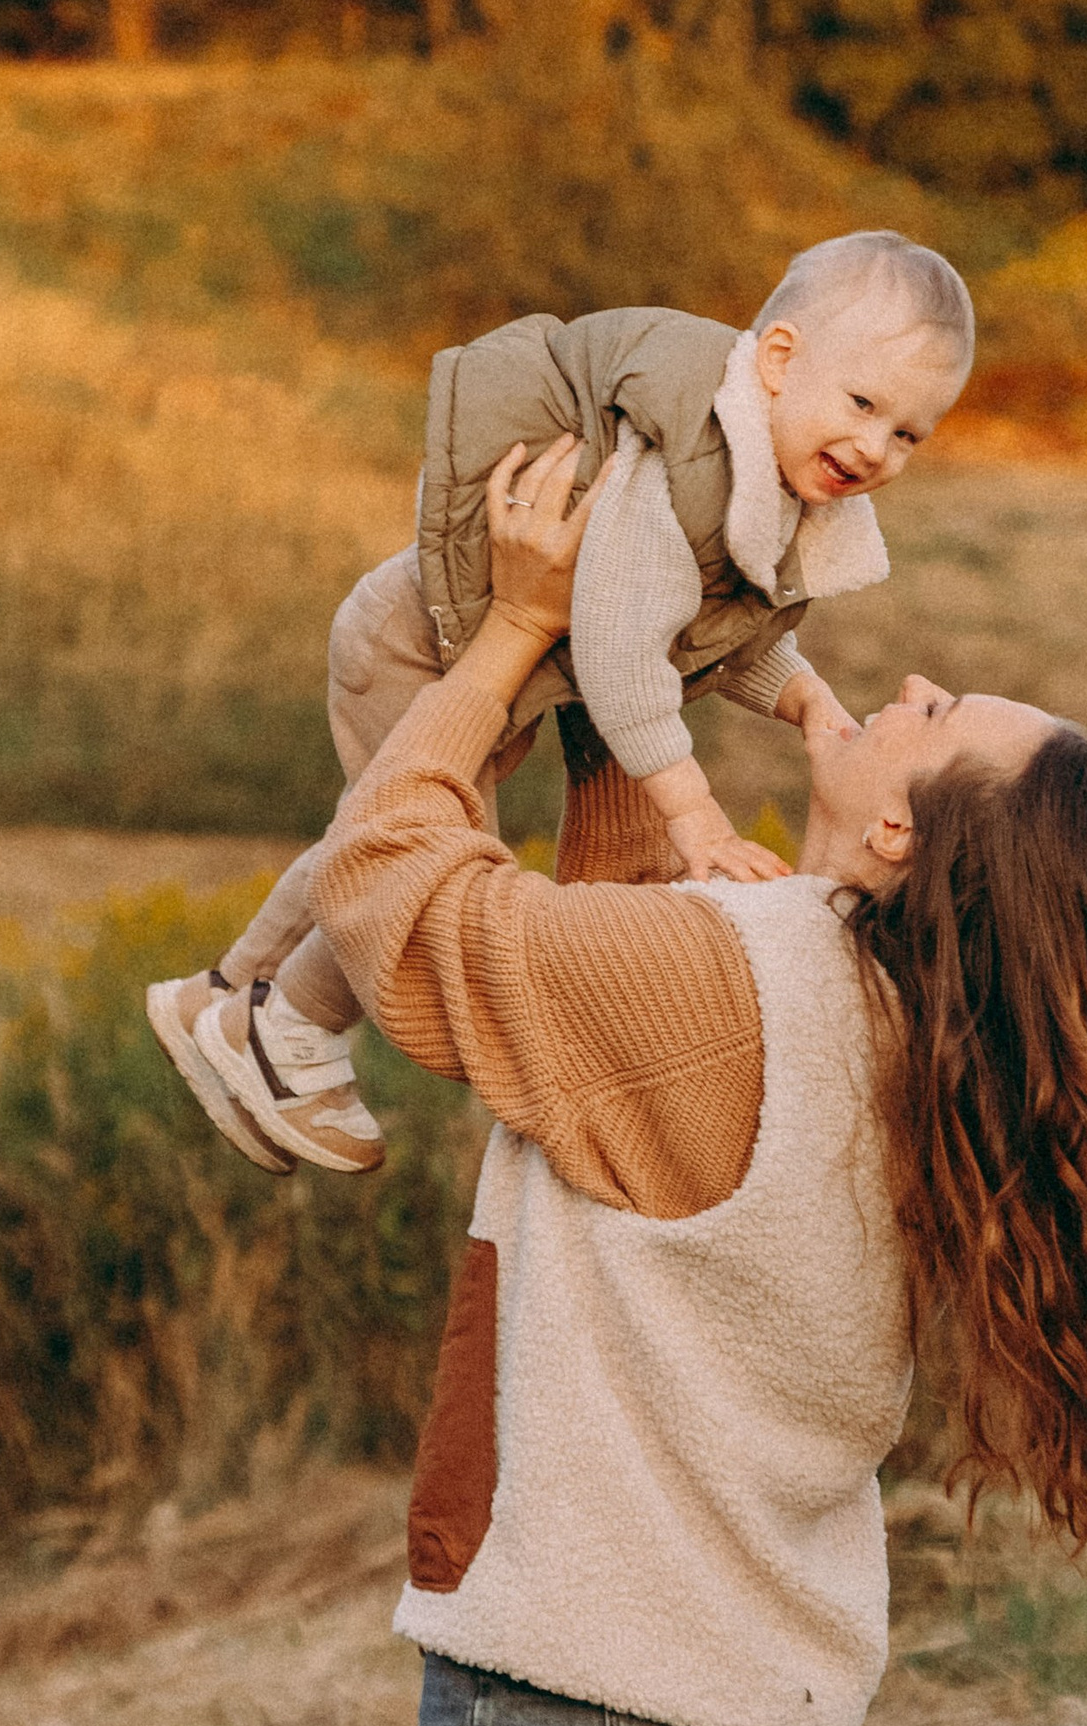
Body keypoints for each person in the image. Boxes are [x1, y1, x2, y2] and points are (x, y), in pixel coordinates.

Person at [310, 437, 1087, 1726]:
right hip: (761, 1694)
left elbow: (387, 894)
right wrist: (621, 682)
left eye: (939, 715)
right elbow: (625, 1020)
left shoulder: (731, 981)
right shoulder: (928, 1064)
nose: (911, 676)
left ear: (897, 832)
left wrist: (504, 631)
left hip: (579, 1687)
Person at [146, 229, 976, 1175]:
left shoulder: (770, 477)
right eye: (863, 404)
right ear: (780, 361)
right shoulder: (687, 469)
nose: (874, 447)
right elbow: (625, 653)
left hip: (447, 657)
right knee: (415, 867)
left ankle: (222, 995)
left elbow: (702, 632)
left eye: (908, 433)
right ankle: (287, 1034)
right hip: (416, 653)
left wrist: (800, 697)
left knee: (365, 829)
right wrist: (693, 815)